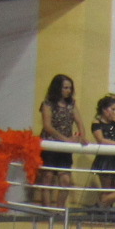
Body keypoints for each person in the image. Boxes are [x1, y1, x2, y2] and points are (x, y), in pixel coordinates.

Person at [36, 75, 85, 207]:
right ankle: (47, 210)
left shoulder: (71, 104)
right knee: (48, 177)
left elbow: (79, 122)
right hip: (50, 145)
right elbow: (47, 126)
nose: (68, 91)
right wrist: (65, 140)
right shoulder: (47, 104)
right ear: (58, 88)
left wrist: (82, 136)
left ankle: (59, 210)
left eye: (70, 88)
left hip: (65, 148)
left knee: (65, 179)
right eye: (65, 88)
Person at [90, 97, 115, 205]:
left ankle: (99, 205)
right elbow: (101, 140)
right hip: (106, 160)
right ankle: (104, 210)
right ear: (104, 109)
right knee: (107, 189)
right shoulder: (97, 122)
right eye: (113, 109)